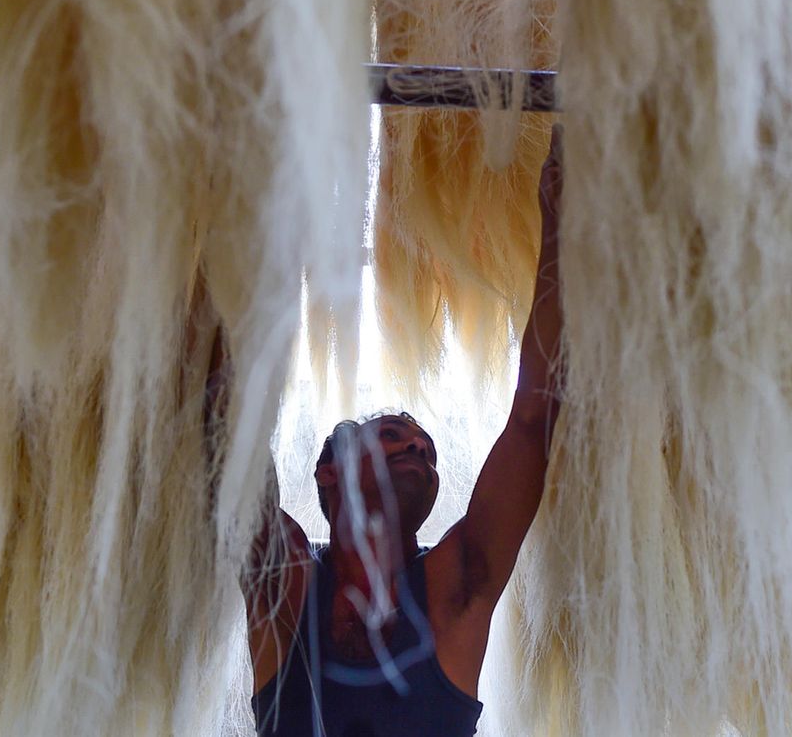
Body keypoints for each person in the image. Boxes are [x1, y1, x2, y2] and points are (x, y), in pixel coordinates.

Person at [229, 126, 565, 737]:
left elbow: (531, 418)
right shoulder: (285, 577)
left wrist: (561, 220)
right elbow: (226, 434)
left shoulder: (457, 583)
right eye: (391, 436)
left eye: (427, 451)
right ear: (328, 472)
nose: (417, 447)